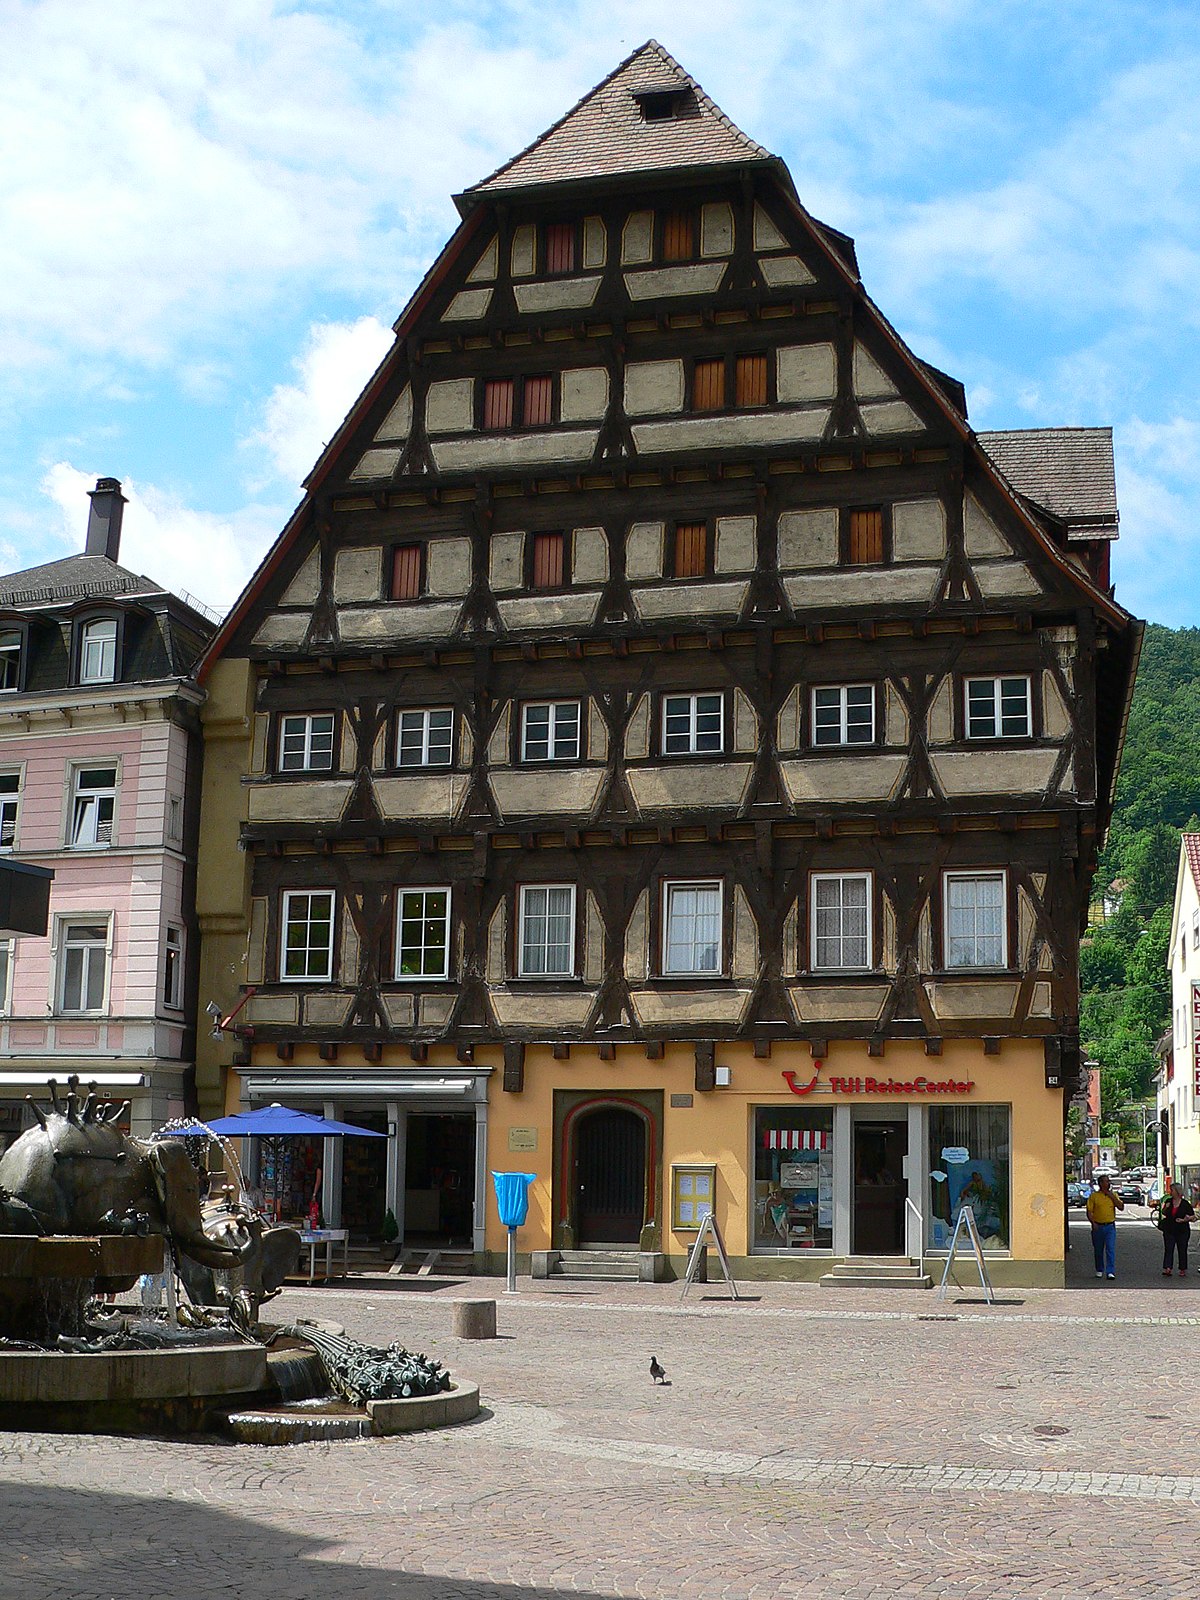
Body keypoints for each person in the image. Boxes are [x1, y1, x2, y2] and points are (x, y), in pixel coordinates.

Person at [1086, 1174, 1124, 1279]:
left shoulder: (1113, 1195)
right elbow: (1089, 1211)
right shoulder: (1094, 1196)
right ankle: (1099, 1269)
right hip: (1098, 1225)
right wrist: (1093, 1223)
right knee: (1098, 1249)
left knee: (1110, 1248)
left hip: (1110, 1226)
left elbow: (1121, 1207)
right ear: (1100, 1183)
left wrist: (1111, 1196)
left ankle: (1110, 1271)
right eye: (1105, 1181)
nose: (1107, 1183)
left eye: (1108, 1181)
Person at [1160, 1181, 1196, 1277]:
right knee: (1169, 1248)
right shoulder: (1169, 1201)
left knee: (1182, 1249)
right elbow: (1163, 1213)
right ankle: (1168, 1268)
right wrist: (1165, 1208)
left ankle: (1182, 1269)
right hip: (1169, 1229)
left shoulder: (1185, 1204)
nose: (1170, 1192)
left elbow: (1193, 1216)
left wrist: (1185, 1219)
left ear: (1177, 1191)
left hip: (1182, 1230)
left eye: (1172, 1190)